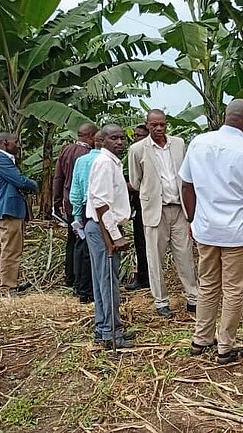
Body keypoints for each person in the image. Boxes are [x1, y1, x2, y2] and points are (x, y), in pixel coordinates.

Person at [180, 99, 243, 365]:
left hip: (205, 229)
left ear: (225, 116)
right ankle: (225, 346)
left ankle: (201, 338)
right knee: (234, 289)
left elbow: (186, 185)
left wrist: (192, 218)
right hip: (237, 233)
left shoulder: (198, 143)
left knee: (207, 284)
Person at [129, 110, 198, 318]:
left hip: (178, 208)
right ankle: (161, 301)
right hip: (154, 210)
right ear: (147, 125)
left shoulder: (178, 144)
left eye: (162, 125)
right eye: (154, 125)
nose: (159, 129)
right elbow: (135, 181)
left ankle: (193, 297)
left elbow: (186, 174)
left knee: (185, 254)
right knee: (154, 257)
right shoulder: (137, 149)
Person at [85, 124, 136, 349]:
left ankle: (104, 327)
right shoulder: (105, 164)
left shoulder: (112, 163)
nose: (119, 142)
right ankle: (110, 332)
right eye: (113, 138)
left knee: (103, 281)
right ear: (101, 141)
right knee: (107, 282)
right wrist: (113, 237)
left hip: (103, 227)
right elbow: (100, 204)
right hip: (102, 229)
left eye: (121, 138)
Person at [0, 132, 38, 293]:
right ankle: (7, 287)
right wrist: (33, 185)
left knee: (14, 248)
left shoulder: (4, 159)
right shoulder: (1, 159)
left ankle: (12, 283)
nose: (18, 145)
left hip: (12, 210)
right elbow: (19, 180)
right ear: (4, 143)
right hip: (7, 209)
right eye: (15, 142)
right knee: (10, 249)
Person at [53, 123, 97, 288]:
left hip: (68, 202)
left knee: (72, 240)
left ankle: (69, 277)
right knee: (83, 242)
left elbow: (58, 177)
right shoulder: (88, 155)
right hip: (83, 203)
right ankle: (81, 281)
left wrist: (57, 200)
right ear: (91, 136)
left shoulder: (66, 150)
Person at [69, 131, 102, 304]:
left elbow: (75, 192)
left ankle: (83, 290)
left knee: (83, 249)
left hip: (83, 206)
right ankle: (96, 290)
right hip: (101, 208)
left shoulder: (81, 161)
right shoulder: (108, 162)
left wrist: (77, 214)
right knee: (100, 251)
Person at [126, 124, 151, 291]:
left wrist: (123, 185)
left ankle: (145, 278)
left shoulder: (150, 154)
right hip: (139, 206)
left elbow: (138, 183)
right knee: (140, 243)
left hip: (148, 205)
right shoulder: (134, 152)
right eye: (134, 135)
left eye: (140, 135)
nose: (136, 138)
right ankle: (144, 276)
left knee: (145, 244)